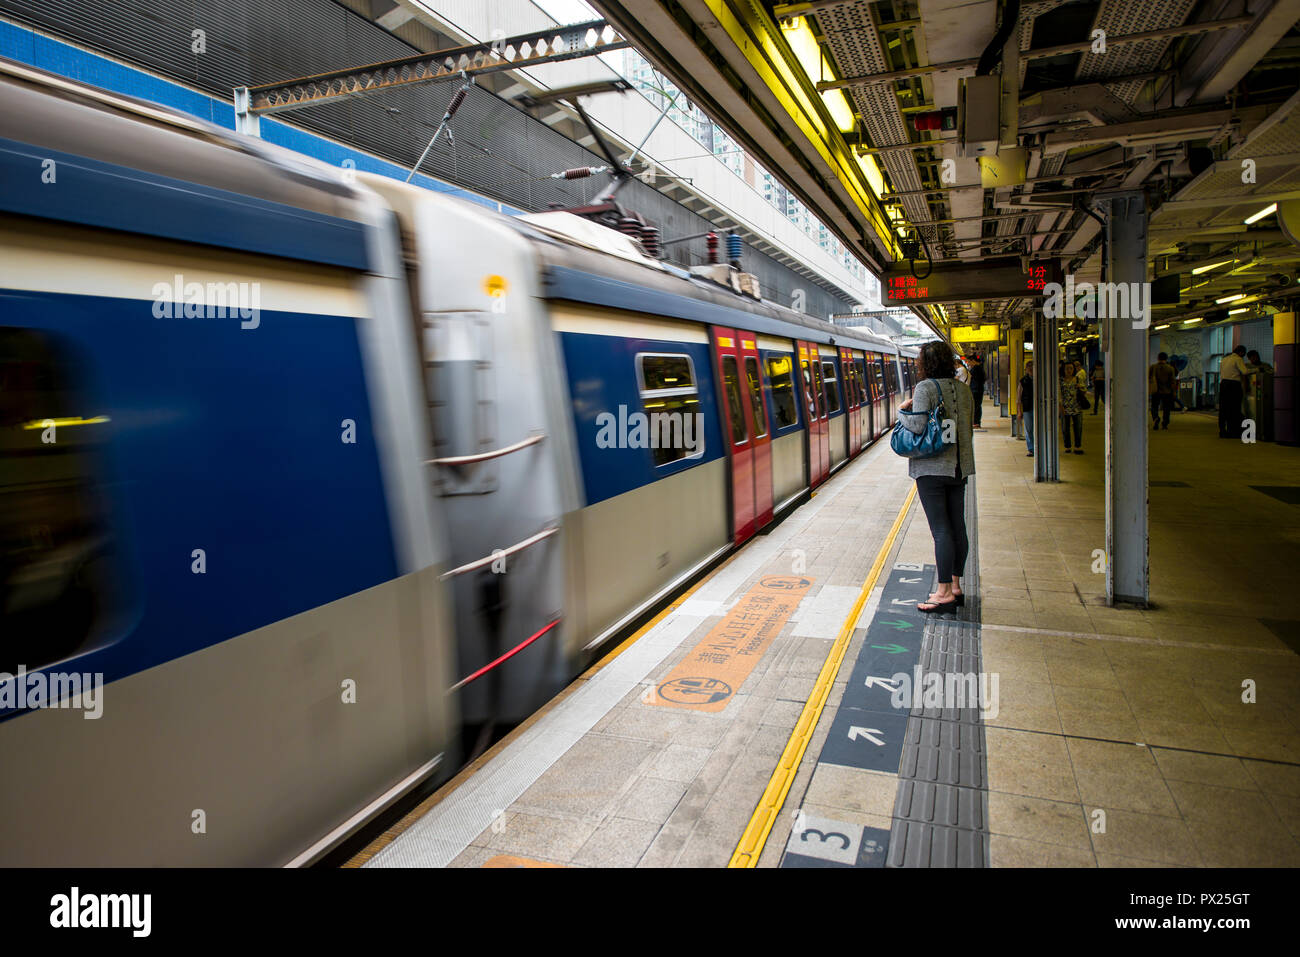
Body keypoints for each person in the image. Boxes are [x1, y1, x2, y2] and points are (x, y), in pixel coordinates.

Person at [897, 342, 975, 614]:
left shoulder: (925, 388)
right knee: (958, 527)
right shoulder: (964, 390)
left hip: (931, 468)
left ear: (924, 364)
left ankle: (942, 593)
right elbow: (967, 428)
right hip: (959, 467)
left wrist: (902, 410)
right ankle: (955, 586)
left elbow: (917, 425)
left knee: (940, 530)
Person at [1218, 345, 1250, 438]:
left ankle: (1222, 431)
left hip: (1223, 384)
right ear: (1241, 352)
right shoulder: (1238, 359)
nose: (1243, 356)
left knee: (1223, 409)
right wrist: (1255, 370)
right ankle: (1233, 431)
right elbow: (1245, 372)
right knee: (1234, 408)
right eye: (1243, 354)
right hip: (1234, 385)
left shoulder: (1224, 359)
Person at [1148, 352, 1177, 430]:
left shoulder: (1153, 367)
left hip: (1156, 391)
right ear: (1166, 358)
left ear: (1158, 358)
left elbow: (1148, 378)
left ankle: (1156, 418)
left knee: (1154, 407)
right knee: (1166, 408)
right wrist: (1174, 392)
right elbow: (1173, 381)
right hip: (1167, 392)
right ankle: (1165, 424)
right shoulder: (1170, 368)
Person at [1060, 360, 1083, 453]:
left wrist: (1080, 387)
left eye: (1071, 368)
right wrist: (1060, 407)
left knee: (1078, 427)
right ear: (1064, 369)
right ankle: (1067, 446)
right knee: (1065, 428)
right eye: (1067, 368)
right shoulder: (1060, 380)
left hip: (1076, 406)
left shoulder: (1077, 379)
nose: (1069, 370)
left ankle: (1077, 446)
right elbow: (1059, 394)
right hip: (1065, 407)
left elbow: (1084, 391)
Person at [1018, 360, 1034, 457]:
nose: (1031, 370)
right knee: (1028, 429)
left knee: (1037, 428)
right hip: (1027, 408)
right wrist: (1019, 411)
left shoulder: (1041, 379)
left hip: (1039, 408)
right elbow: (1018, 397)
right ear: (1026, 370)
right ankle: (1031, 449)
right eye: (1029, 368)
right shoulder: (1023, 381)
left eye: (1032, 367)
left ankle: (1038, 447)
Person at [968, 353, 987, 430]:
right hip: (978, 389)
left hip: (975, 390)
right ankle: (976, 422)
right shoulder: (980, 368)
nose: (968, 363)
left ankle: (976, 422)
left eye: (969, 362)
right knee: (977, 406)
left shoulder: (976, 369)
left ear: (973, 361)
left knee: (975, 406)